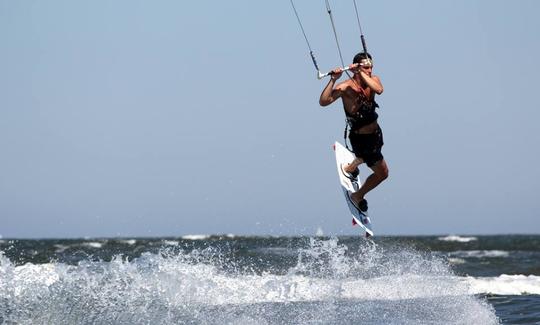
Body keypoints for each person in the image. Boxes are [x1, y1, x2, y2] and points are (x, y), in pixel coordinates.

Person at [319, 52, 389, 215]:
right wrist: (333, 79)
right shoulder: (346, 88)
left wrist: (360, 72)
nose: (370, 70)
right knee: (383, 174)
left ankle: (350, 168)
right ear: (357, 68)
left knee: (369, 156)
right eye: (366, 67)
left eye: (371, 67)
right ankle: (357, 196)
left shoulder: (374, 81)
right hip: (360, 137)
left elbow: (378, 90)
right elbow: (324, 101)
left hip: (375, 134)